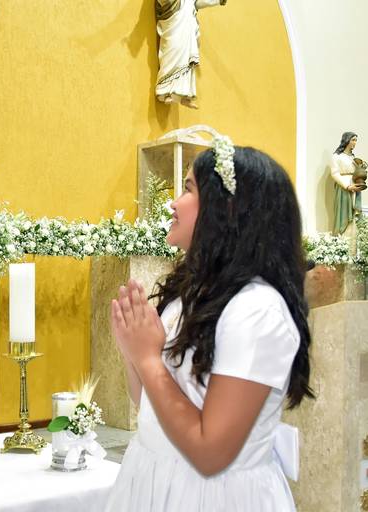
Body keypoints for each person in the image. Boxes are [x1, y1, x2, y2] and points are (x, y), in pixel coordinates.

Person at [105, 139, 312, 511]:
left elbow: (210, 453)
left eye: (188, 189)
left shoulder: (256, 310)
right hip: (154, 478)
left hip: (214, 494)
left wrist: (147, 358)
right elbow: (149, 405)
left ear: (227, 209)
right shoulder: (189, 295)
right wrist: (131, 350)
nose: (173, 203)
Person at [155, 0, 227, 109]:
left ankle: (185, 96)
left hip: (187, 22)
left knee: (186, 58)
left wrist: (217, 1)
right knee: (173, 50)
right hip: (174, 20)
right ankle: (165, 91)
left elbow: (197, 3)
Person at [330, 131, 363, 235]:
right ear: (346, 140)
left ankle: (353, 241)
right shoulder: (337, 156)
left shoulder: (353, 157)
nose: (355, 142)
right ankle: (342, 239)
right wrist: (348, 186)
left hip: (355, 186)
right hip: (343, 187)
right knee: (343, 213)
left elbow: (357, 173)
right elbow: (335, 174)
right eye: (353, 140)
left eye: (356, 140)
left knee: (354, 213)